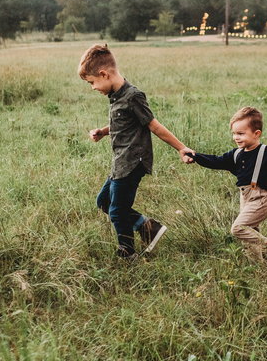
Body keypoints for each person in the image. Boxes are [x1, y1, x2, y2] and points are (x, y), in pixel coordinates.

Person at [79, 44, 193, 259]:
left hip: (132, 162)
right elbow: (123, 124)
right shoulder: (116, 96)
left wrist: (182, 148)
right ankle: (148, 227)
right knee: (104, 202)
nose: (93, 87)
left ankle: (127, 252)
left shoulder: (133, 96)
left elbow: (154, 125)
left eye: (92, 82)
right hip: (120, 162)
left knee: (117, 210)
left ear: (104, 74)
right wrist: (103, 131)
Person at [186, 107, 267, 266]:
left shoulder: (265, 152)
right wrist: (195, 156)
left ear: (257, 134)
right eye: (234, 133)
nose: (236, 137)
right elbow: (216, 161)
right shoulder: (236, 154)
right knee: (250, 236)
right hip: (245, 198)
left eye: (241, 133)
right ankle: (258, 267)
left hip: (261, 198)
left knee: (238, 228)